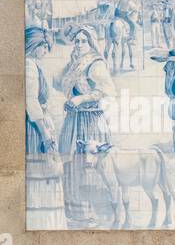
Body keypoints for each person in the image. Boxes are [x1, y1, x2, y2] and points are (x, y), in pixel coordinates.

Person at [55, 26, 117, 228]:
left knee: (89, 164)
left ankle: (95, 214)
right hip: (74, 120)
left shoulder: (96, 64)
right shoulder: (74, 63)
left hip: (90, 120)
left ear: (91, 43)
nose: (80, 44)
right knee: (71, 161)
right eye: (77, 41)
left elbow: (106, 90)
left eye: (84, 41)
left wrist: (81, 98)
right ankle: (76, 213)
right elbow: (58, 82)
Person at [25, 26, 65, 229]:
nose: (46, 52)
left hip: (41, 122)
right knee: (42, 172)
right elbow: (31, 102)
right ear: (36, 45)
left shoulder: (35, 65)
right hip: (36, 127)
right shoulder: (30, 65)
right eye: (44, 47)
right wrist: (45, 135)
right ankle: (43, 221)